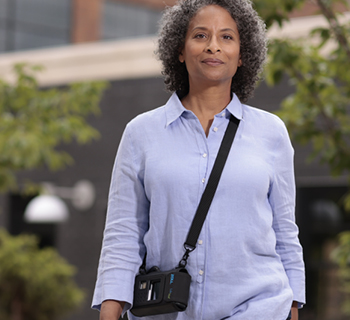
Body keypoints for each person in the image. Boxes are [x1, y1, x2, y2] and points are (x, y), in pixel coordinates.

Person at [92, 0, 306, 319]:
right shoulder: (141, 133)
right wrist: (110, 308)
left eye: (227, 37)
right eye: (201, 36)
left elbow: (285, 230)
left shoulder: (271, 132)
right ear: (180, 49)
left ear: (242, 55)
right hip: (168, 311)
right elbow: (124, 231)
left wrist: (292, 304)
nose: (214, 47)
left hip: (258, 307)